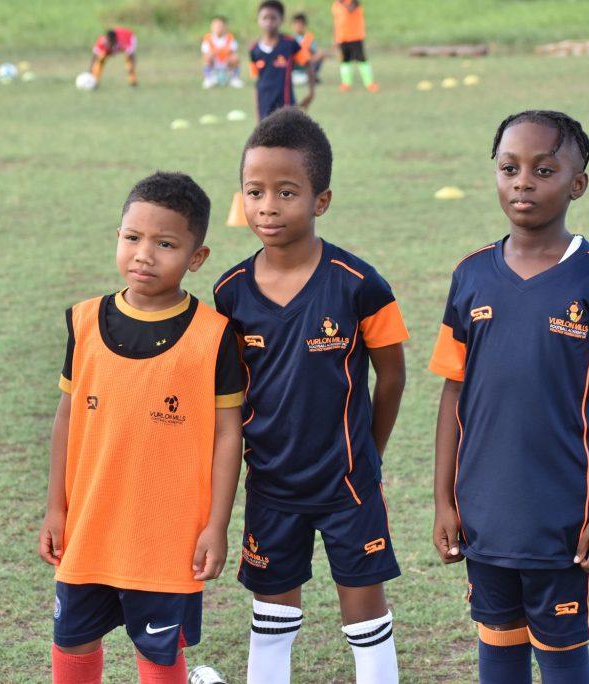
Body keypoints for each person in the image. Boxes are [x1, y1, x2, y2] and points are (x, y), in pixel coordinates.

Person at [428, 110, 589, 684]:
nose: (522, 181)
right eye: (509, 167)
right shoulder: (470, 275)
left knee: (562, 655)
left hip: (564, 519)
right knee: (496, 648)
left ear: (578, 184)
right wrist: (443, 501)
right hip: (484, 514)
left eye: (543, 170)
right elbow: (453, 395)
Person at [214, 108, 407, 684]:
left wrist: (367, 454)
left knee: (364, 613)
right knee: (272, 614)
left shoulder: (360, 284)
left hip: (348, 484)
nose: (267, 206)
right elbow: (224, 400)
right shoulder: (228, 294)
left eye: (286, 192)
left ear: (321, 200)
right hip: (270, 483)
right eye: (254, 191)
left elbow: (391, 377)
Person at [39, 172, 244, 684]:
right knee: (72, 641)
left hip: (166, 536)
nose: (144, 254)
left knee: (158, 654)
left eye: (165, 243)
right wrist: (55, 506)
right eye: (132, 237)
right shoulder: (83, 322)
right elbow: (66, 418)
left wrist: (215, 525)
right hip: (89, 525)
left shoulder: (214, 335)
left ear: (196, 257)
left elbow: (227, 436)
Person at [249, 1, 311, 121]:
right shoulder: (254, 50)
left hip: (286, 104)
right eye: (265, 18)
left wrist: (311, 94)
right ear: (258, 20)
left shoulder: (290, 44)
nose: (269, 22)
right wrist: (257, 112)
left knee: (290, 137)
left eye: (273, 18)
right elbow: (257, 82)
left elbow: (308, 63)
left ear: (281, 19)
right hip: (264, 105)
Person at [330, 0, 377, 92]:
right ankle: (346, 83)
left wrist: (341, 2)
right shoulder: (335, 5)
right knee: (345, 61)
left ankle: (370, 84)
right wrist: (335, 38)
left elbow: (350, 9)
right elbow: (336, 22)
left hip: (355, 37)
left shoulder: (353, 2)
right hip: (342, 38)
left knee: (362, 60)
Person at [201, 15, 242, 89]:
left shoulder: (230, 37)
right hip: (214, 62)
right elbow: (206, 53)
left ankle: (234, 79)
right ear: (212, 27)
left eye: (220, 26)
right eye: (215, 26)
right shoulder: (207, 38)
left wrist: (219, 51)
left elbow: (232, 50)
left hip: (226, 62)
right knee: (207, 56)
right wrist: (218, 51)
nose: (218, 28)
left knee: (235, 57)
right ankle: (208, 78)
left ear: (225, 27)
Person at [291, 13, 323, 86]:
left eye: (301, 24)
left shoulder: (309, 37)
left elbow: (316, 51)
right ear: (293, 25)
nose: (299, 26)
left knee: (320, 54)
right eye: (297, 24)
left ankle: (310, 75)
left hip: (307, 64)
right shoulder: (290, 39)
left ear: (305, 25)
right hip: (295, 64)